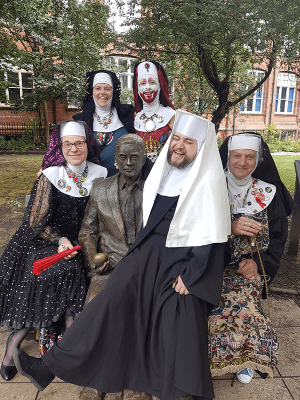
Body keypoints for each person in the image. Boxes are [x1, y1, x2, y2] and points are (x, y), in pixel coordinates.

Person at [13, 110, 231, 400]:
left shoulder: (207, 181)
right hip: (145, 253)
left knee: (173, 314)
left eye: (189, 142)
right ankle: (48, 366)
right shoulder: (163, 174)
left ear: (201, 148)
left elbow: (212, 234)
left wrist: (192, 274)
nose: (179, 145)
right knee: (107, 303)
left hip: (180, 260)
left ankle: (164, 389)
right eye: (176, 138)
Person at [0, 120, 107, 382]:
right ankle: (15, 345)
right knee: (57, 270)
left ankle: (54, 354)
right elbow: (35, 223)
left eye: (79, 143)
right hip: (43, 242)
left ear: (87, 144)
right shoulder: (51, 176)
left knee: (69, 269)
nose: (73, 148)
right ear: (61, 147)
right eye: (68, 144)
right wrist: (59, 240)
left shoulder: (102, 174)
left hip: (82, 244)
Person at [208, 132, 294, 384]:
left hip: (248, 269)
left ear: (258, 160)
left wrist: (259, 264)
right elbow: (195, 229)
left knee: (247, 305)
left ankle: (245, 358)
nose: (242, 162)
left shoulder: (269, 193)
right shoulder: (209, 187)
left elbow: (278, 238)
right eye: (236, 155)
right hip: (210, 264)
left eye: (250, 157)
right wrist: (229, 228)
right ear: (227, 157)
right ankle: (204, 355)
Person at [78, 133, 149, 297]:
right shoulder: (100, 189)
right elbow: (87, 231)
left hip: (146, 268)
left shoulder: (156, 189)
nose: (128, 163)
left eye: (134, 157)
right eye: (123, 157)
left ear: (144, 159)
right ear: (116, 159)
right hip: (109, 269)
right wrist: (92, 260)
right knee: (94, 313)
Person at [73, 69, 135, 176]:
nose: (103, 93)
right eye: (98, 88)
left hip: (123, 181)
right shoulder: (80, 120)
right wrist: (47, 168)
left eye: (107, 89)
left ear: (113, 91)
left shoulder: (128, 114)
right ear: (92, 92)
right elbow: (67, 149)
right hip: (92, 182)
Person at [133, 61, 175, 162]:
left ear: (160, 86)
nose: (147, 87)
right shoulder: (133, 118)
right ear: (138, 89)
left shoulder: (172, 116)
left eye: (152, 82)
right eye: (142, 83)